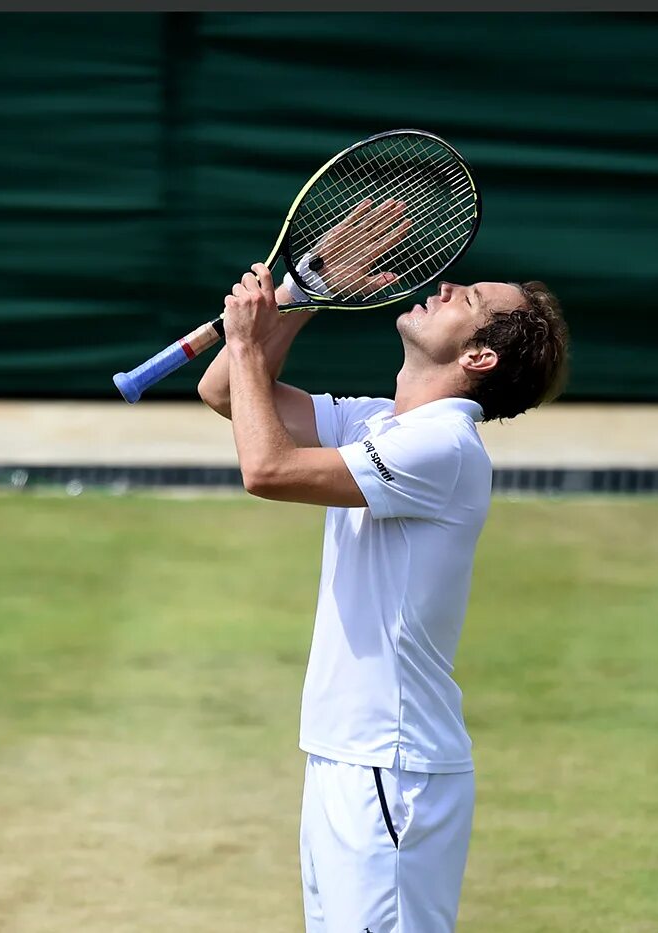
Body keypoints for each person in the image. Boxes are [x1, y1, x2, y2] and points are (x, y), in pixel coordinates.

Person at [197, 219, 569, 932]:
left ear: (481, 356)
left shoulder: (444, 445)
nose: (449, 284)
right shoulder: (382, 425)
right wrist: (306, 290)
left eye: (473, 299)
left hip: (391, 772)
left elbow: (266, 468)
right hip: (347, 756)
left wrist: (248, 338)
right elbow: (228, 393)